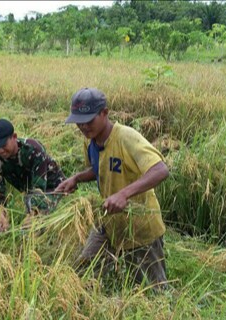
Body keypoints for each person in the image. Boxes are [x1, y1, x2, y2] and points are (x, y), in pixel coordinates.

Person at [55, 87, 169, 289]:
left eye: (88, 120)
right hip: (109, 220)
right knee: (85, 271)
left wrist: (124, 194)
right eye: (78, 122)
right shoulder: (90, 141)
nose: (83, 126)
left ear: (104, 113)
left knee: (152, 291)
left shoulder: (126, 137)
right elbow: (99, 168)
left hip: (140, 226)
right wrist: (77, 178)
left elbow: (160, 170)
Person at [0, 119, 66, 232]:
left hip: (55, 188)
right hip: (29, 192)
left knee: (33, 227)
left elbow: (38, 190)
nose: (0, 150)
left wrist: (32, 214)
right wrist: (0, 215)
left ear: (14, 137)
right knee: (4, 229)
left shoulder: (33, 151)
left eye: (3, 145)